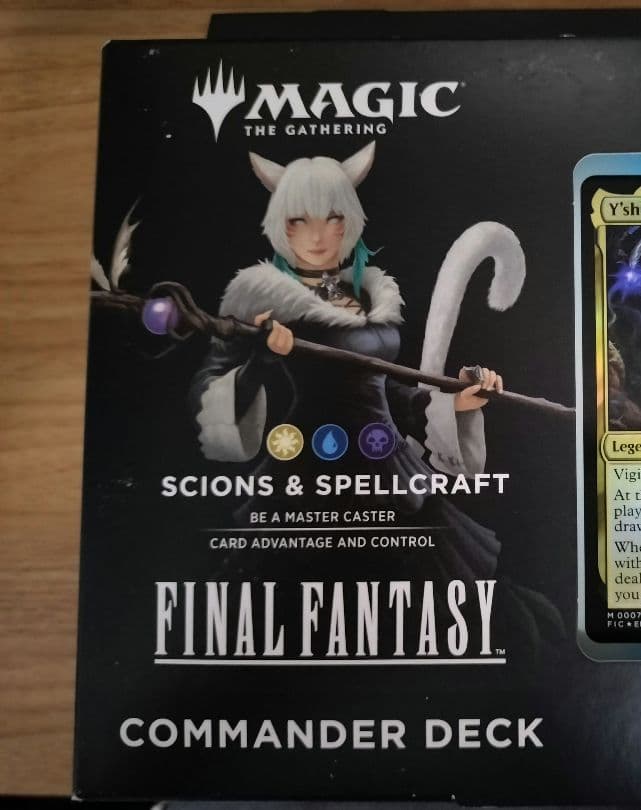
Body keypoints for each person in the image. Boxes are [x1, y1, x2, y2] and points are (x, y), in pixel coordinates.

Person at [187, 142, 522, 589]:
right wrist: (260, 363)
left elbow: (378, 391)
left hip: (389, 471)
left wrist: (454, 403)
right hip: (308, 476)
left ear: (349, 220)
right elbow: (208, 393)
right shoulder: (255, 301)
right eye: (299, 220)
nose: (318, 236)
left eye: (332, 218)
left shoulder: (366, 294)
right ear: (279, 224)